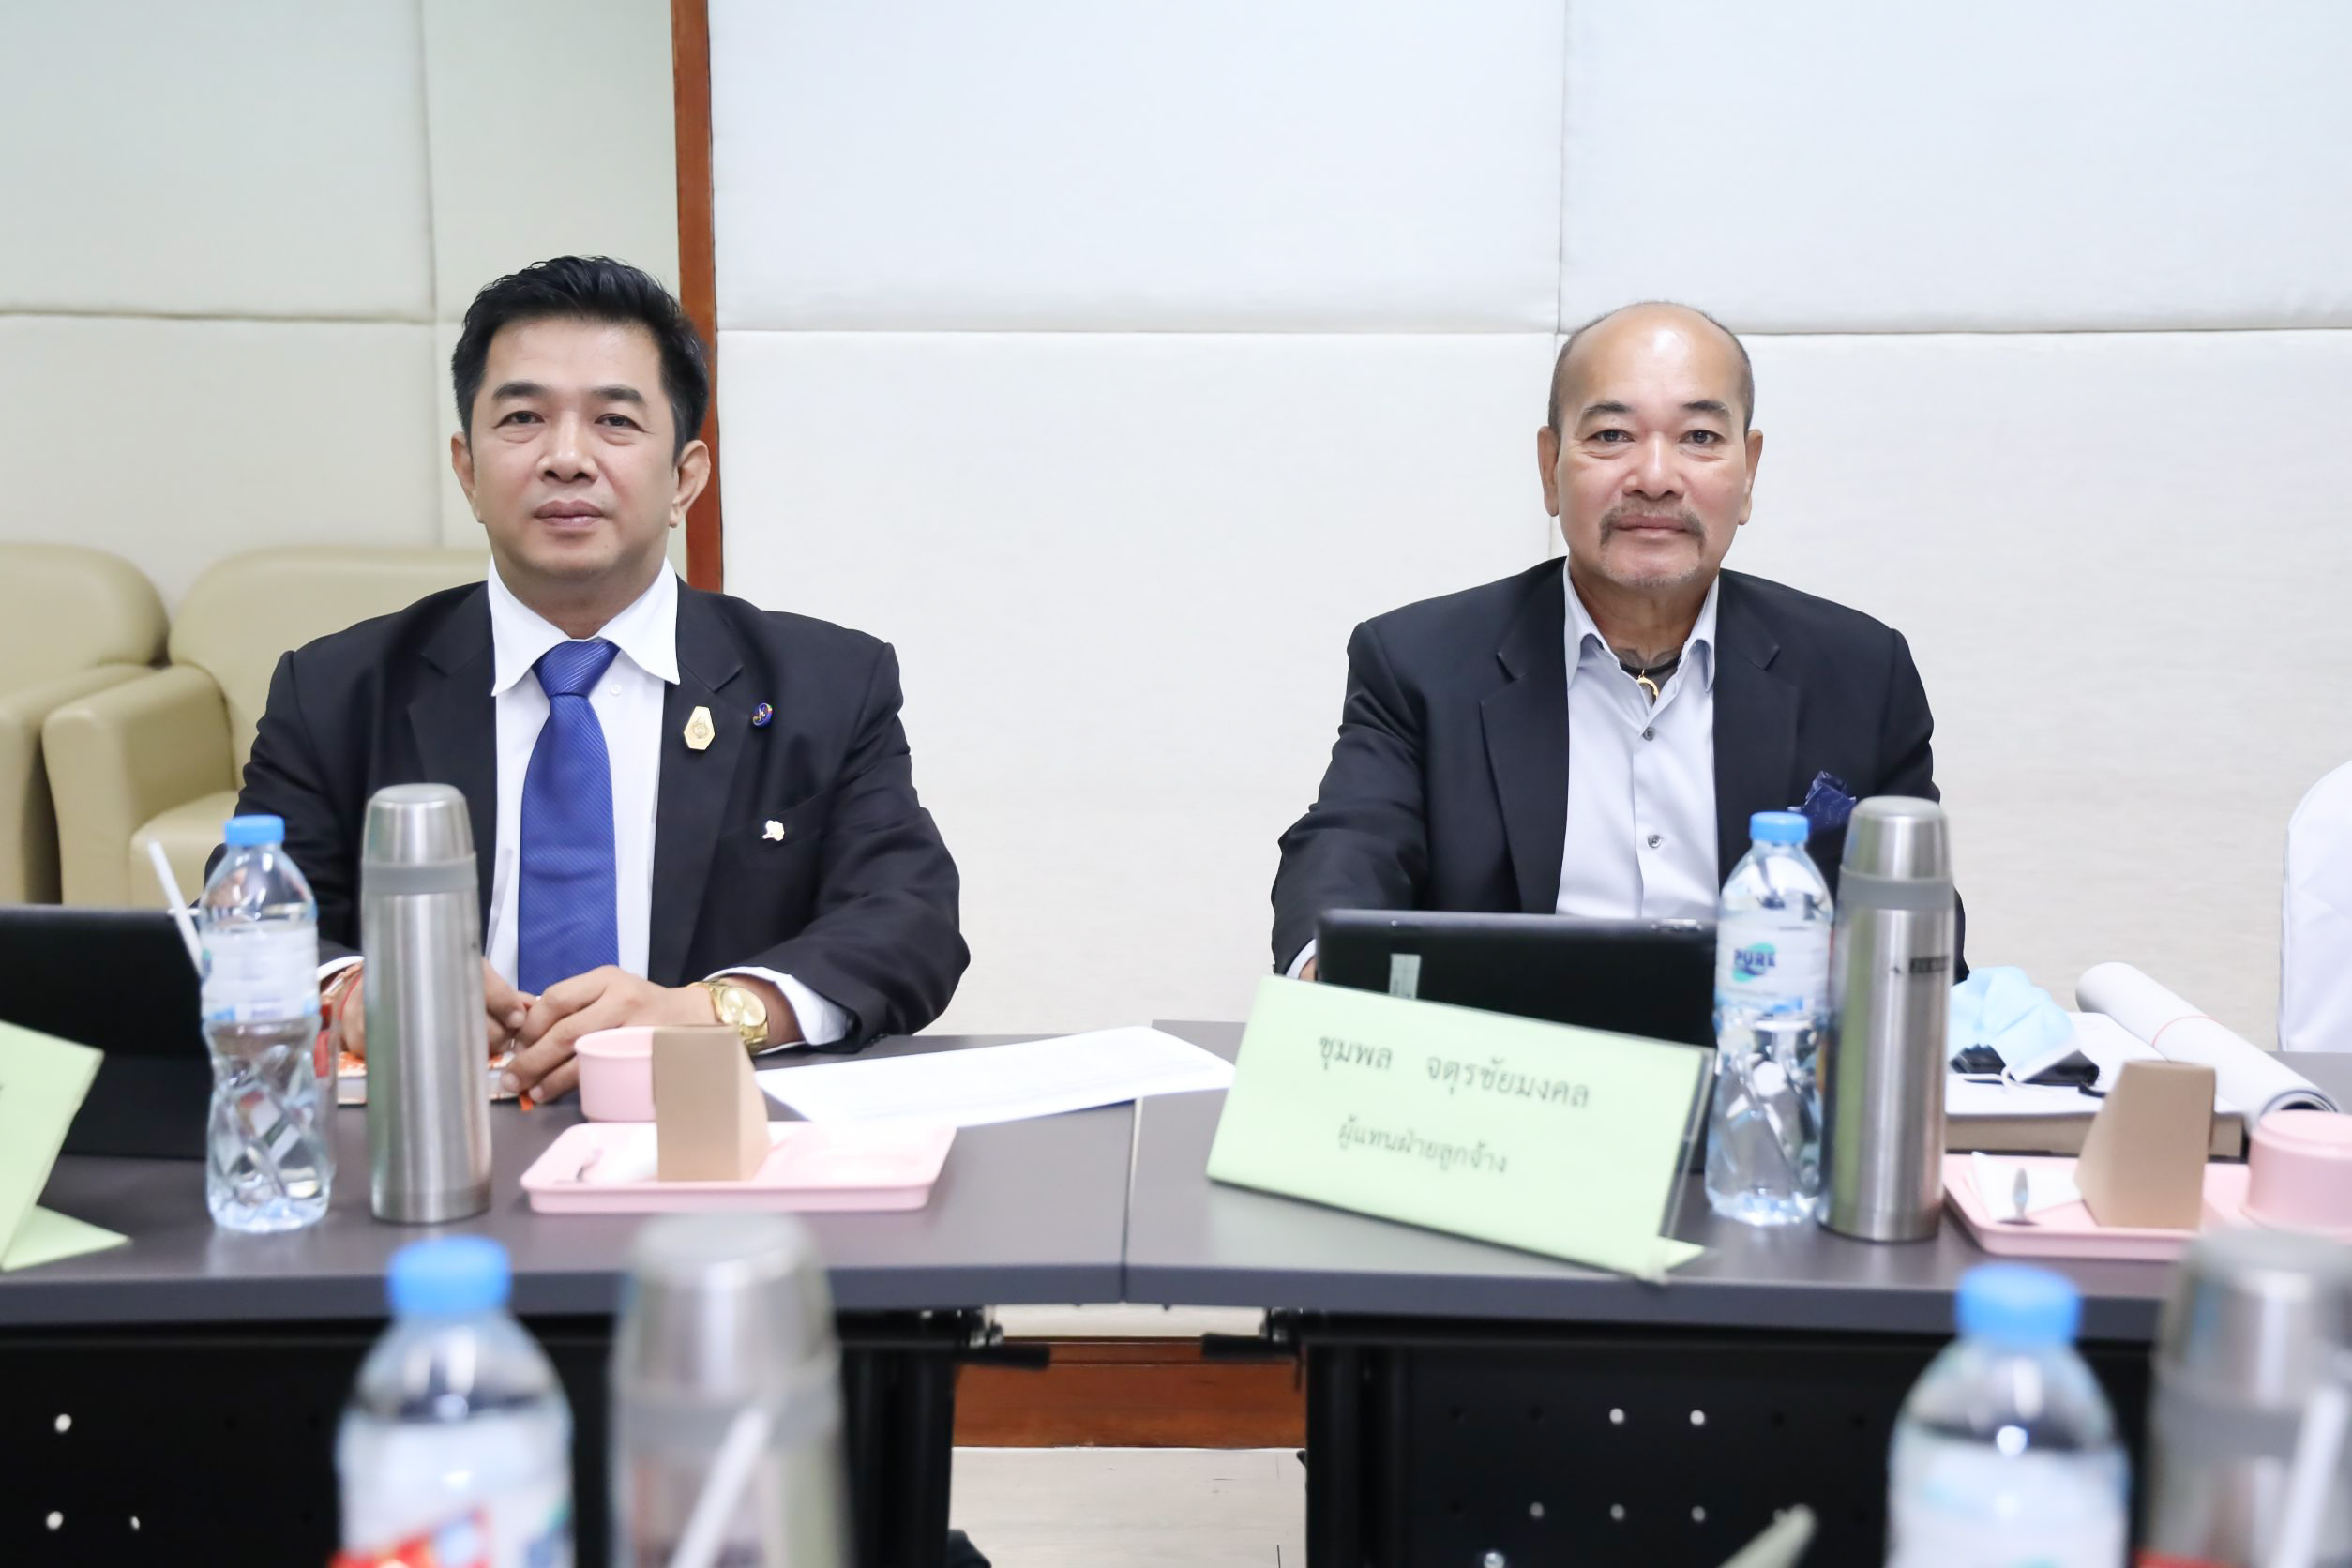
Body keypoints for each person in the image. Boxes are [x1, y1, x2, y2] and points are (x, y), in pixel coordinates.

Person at [215, 256, 966, 1100]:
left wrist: (712, 1012)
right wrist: (355, 992)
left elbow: (909, 922)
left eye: (614, 421)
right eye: (523, 418)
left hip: (703, 1127)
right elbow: (243, 924)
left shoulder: (823, 685)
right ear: (468, 471)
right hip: (431, 1123)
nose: (566, 458)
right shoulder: (337, 690)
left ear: (683, 479)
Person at [1273, 300, 1962, 977]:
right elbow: (1349, 845)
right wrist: (1330, 973)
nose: (1655, 479)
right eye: (1610, 436)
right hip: (1513, 1046)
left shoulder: (1860, 672)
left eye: (1699, 437)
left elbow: (1919, 932)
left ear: (1748, 471)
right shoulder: (1419, 663)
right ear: (1550, 467)